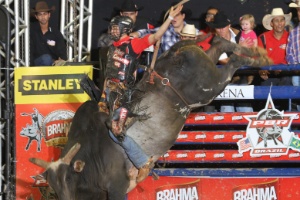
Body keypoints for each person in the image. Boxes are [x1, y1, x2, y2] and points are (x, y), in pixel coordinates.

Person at [81, 5, 183, 183]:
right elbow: (109, 74)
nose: (111, 31)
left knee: (116, 131)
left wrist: (168, 19)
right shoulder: (113, 47)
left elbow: (156, 36)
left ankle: (142, 161)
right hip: (110, 92)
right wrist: (103, 97)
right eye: (111, 28)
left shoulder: (133, 45)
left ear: (125, 29)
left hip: (123, 93)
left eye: (115, 28)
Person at [206, 12, 253, 112]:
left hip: (242, 77)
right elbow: (226, 62)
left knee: (246, 110)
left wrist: (250, 75)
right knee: (228, 111)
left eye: (223, 26)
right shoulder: (215, 43)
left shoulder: (241, 34)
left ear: (229, 25)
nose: (221, 30)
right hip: (225, 81)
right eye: (218, 27)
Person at [131, 1, 200, 53]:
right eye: (172, 16)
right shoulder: (165, 30)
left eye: (177, 15)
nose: (173, 18)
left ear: (183, 16)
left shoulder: (195, 32)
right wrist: (137, 34)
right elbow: (149, 32)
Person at [257, 8, 292, 86]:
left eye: (282, 20)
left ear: (285, 22)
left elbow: (294, 57)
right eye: (276, 21)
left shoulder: (291, 37)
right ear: (271, 23)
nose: (280, 23)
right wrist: (261, 69)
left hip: (286, 74)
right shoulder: (263, 38)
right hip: (268, 75)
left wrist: (282, 67)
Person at [30, 1, 67, 66]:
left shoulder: (56, 33)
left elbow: (62, 53)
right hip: (35, 66)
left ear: (49, 15)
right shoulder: (31, 32)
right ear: (36, 16)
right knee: (46, 58)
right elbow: (29, 53)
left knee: (59, 62)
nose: (43, 16)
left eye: (45, 14)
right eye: (40, 14)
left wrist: (61, 60)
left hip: (52, 68)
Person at [286, 1, 300, 111]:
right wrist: (295, 66)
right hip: (297, 70)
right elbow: (289, 52)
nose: (299, 13)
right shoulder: (294, 32)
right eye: (299, 10)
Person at [239, 14, 258, 84]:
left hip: (249, 52)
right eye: (243, 24)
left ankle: (250, 76)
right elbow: (240, 41)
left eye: (246, 24)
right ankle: (238, 75)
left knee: (249, 66)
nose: (244, 26)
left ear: (252, 24)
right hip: (242, 53)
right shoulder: (242, 33)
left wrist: (254, 50)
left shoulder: (252, 33)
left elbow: (255, 42)